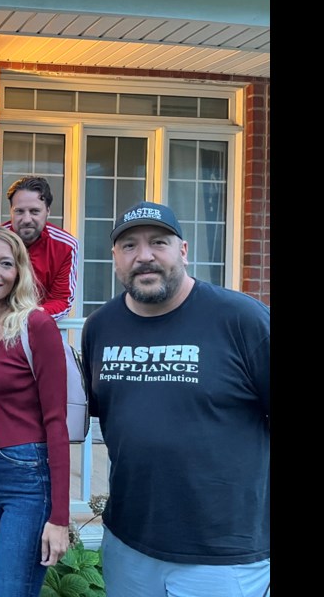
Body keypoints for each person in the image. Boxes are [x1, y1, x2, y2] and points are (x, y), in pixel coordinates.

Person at [80, 201, 270, 597]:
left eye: (158, 243)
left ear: (183, 250)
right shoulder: (100, 327)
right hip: (129, 543)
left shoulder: (241, 319)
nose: (144, 256)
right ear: (115, 258)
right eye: (129, 245)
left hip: (223, 553)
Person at [0, 226, 70, 597]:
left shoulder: (35, 325)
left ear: (19, 273)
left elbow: (57, 422)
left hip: (27, 474)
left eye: (6, 264)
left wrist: (60, 518)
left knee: (11, 590)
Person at [1, 176, 79, 320]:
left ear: (48, 211)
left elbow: (61, 301)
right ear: (11, 211)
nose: (26, 219)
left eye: (34, 211)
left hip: (40, 327)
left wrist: (26, 317)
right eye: (19, 211)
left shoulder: (65, 246)